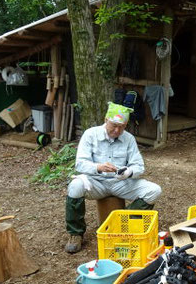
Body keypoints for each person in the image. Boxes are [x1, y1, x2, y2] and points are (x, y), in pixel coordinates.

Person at [64, 102, 162, 253]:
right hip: (95, 182)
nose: (117, 130)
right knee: (75, 186)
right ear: (105, 120)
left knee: (154, 190)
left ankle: (123, 224)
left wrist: (128, 172)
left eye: (122, 127)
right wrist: (98, 167)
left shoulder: (128, 139)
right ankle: (75, 233)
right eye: (114, 125)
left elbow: (139, 166)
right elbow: (80, 164)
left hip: (120, 183)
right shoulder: (91, 134)